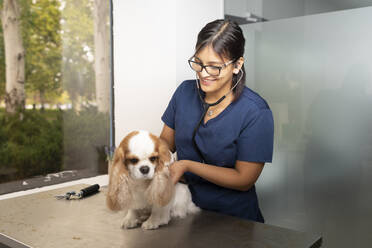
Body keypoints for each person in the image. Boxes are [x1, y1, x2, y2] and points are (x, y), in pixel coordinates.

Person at [160, 19, 274, 223]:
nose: (203, 73)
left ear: (237, 65)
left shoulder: (256, 112)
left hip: (233, 219)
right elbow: (165, 145)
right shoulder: (184, 93)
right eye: (198, 63)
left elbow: (243, 179)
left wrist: (187, 166)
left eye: (214, 67)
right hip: (184, 211)